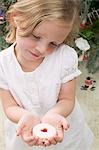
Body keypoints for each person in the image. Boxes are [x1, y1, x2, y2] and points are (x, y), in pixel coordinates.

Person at [0, 0, 94, 150]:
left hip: (62, 127)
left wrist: (54, 115)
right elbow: (9, 106)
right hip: (25, 130)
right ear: (15, 19)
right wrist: (24, 117)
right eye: (36, 37)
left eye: (54, 44)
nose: (42, 49)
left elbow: (67, 99)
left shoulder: (65, 57)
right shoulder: (3, 64)